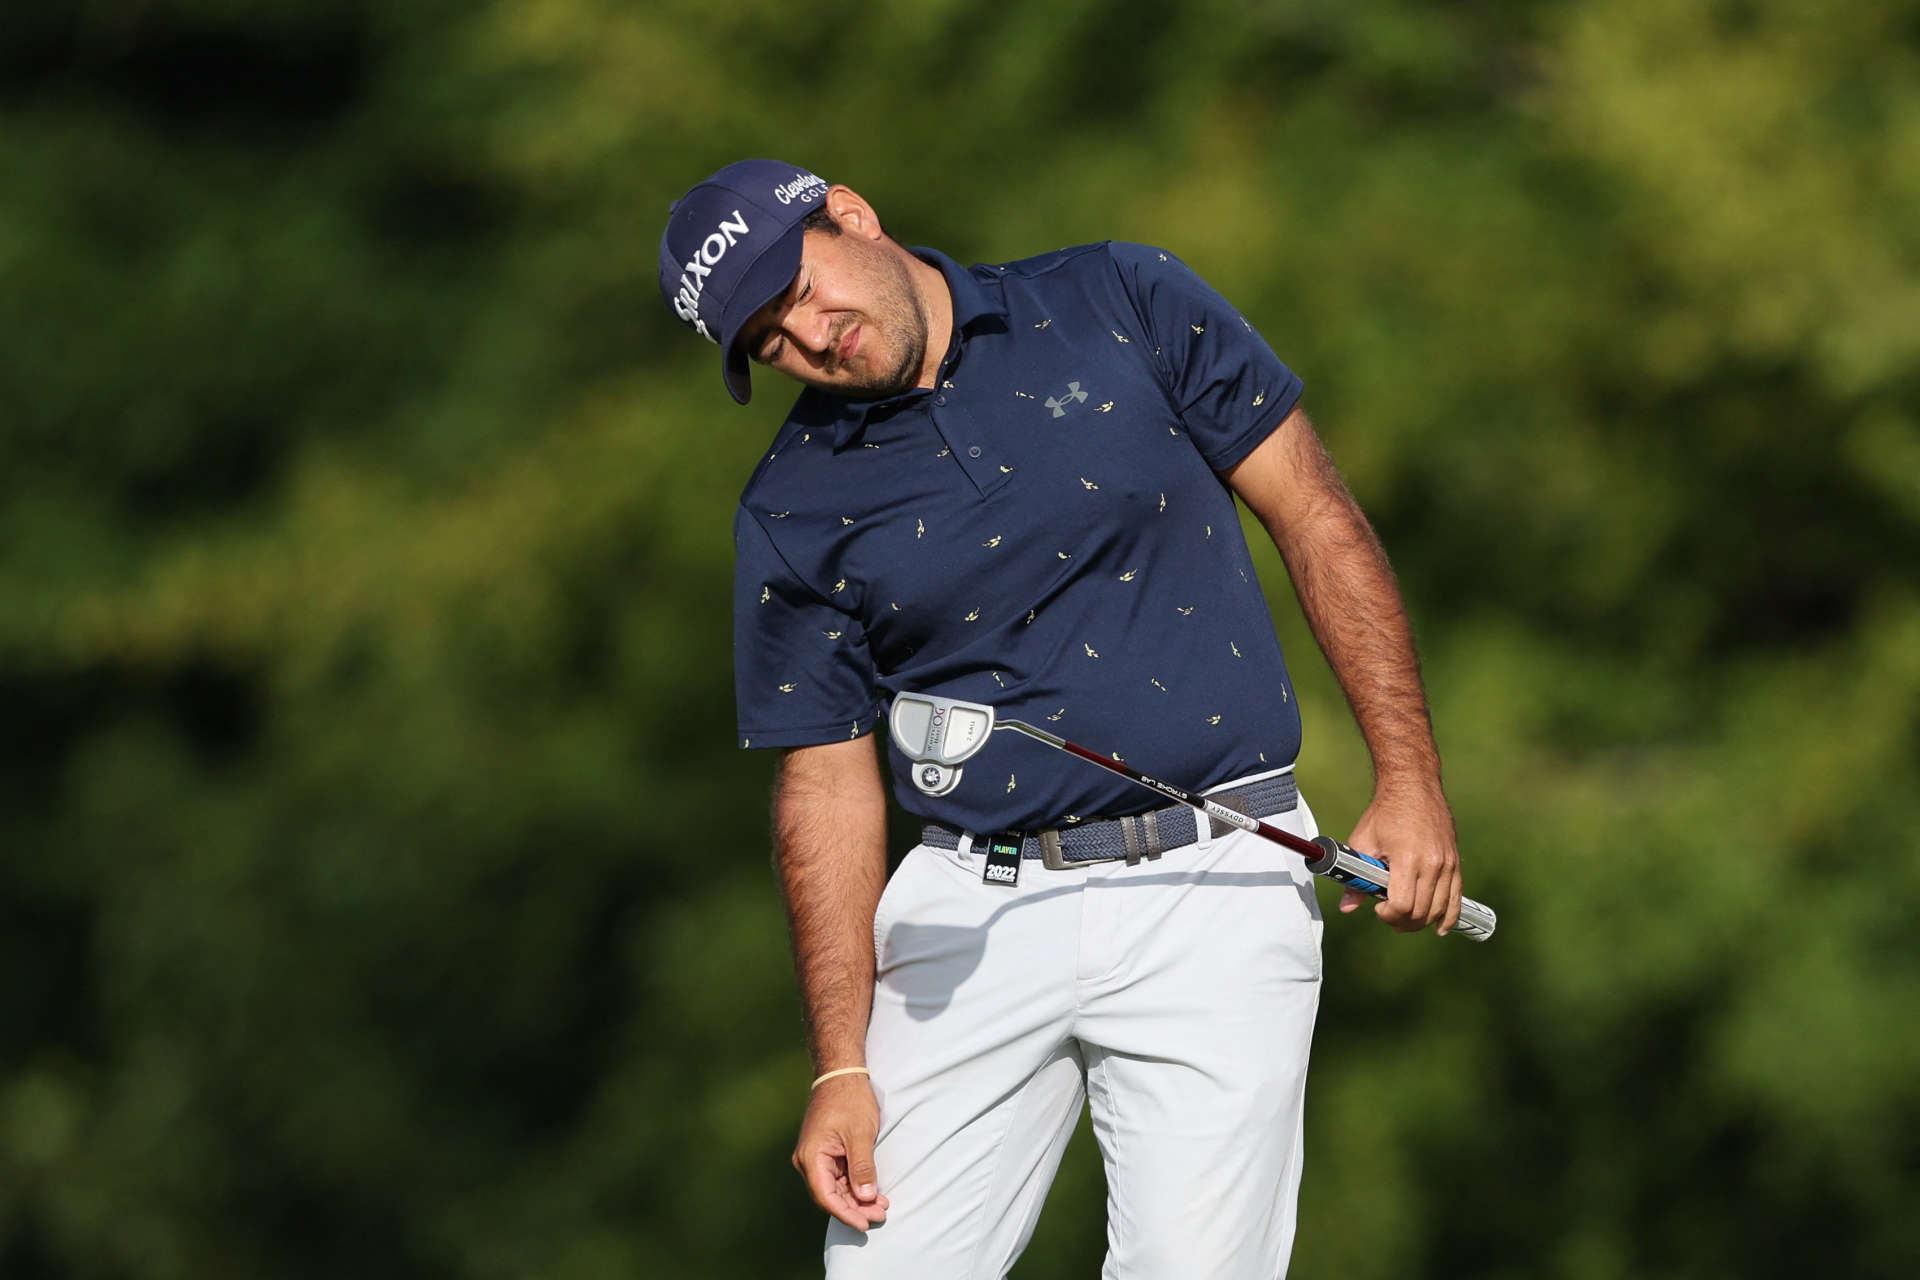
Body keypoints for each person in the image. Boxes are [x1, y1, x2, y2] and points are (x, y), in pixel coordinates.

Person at [658, 158, 1465, 1279]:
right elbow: (826, 782)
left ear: (849, 216)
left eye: (800, 291)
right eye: (768, 342)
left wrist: (1410, 777)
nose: (812, 338)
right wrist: (838, 1062)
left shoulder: (1119, 298)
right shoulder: (791, 506)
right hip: (965, 912)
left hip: (1216, 877)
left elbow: (1316, 517)